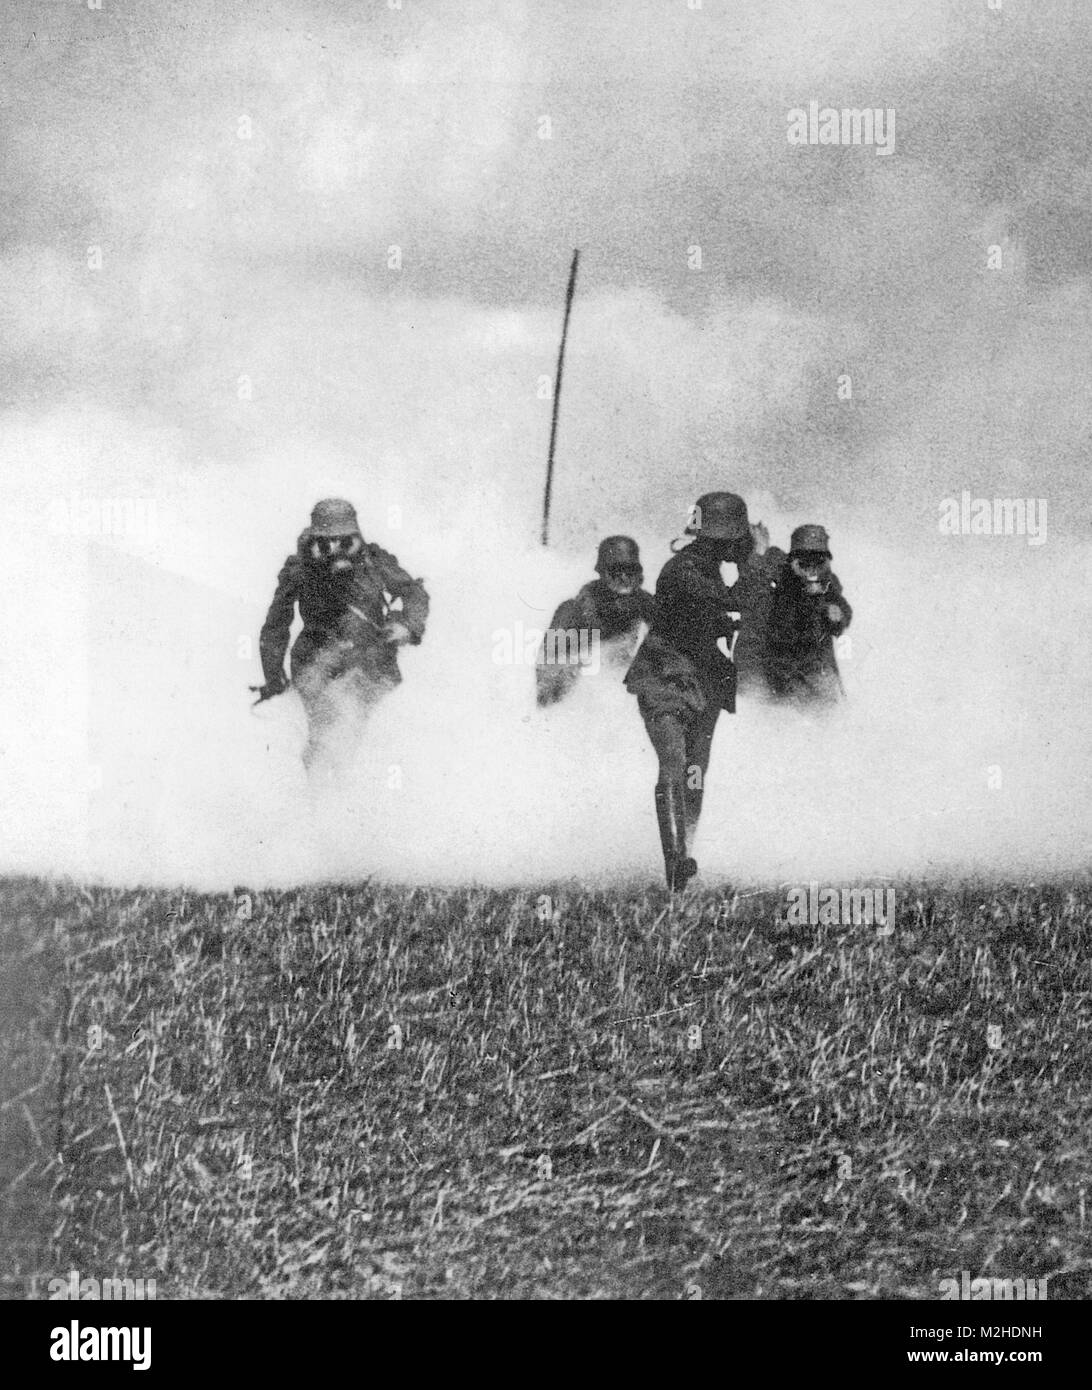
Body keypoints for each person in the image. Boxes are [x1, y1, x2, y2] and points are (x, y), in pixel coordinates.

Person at [624, 493, 754, 889]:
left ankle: (685, 860)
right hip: (666, 676)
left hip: (704, 678)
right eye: (739, 539)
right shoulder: (683, 571)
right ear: (726, 537)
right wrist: (757, 561)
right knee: (675, 763)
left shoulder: (710, 567)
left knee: (696, 771)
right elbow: (736, 601)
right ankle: (675, 866)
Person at [254, 498, 429, 766]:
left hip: (371, 662)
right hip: (316, 662)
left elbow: (415, 593)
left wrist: (407, 626)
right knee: (323, 738)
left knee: (372, 737)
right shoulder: (299, 570)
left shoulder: (374, 561)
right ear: (313, 540)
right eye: (325, 542)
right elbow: (276, 626)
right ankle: (320, 795)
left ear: (356, 537)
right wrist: (274, 677)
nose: (335, 549)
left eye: (344, 541)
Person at [535, 536, 656, 707]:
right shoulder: (574, 610)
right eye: (616, 571)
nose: (623, 578)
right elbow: (547, 668)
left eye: (630, 571)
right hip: (576, 693)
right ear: (602, 573)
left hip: (618, 688)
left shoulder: (643, 602)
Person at [762, 523, 852, 705]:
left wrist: (838, 615)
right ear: (793, 560)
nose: (811, 569)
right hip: (784, 669)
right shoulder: (782, 579)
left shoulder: (828, 583)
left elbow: (843, 609)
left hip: (818, 668)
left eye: (818, 562)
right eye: (804, 562)